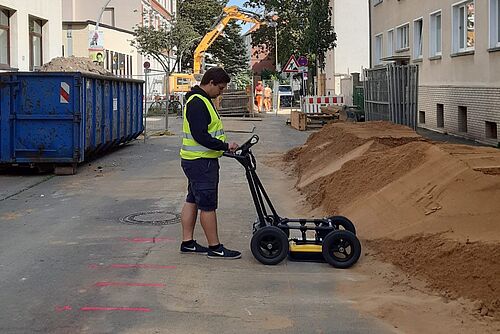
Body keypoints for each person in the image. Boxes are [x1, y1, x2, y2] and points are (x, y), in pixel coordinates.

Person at [179, 67, 241, 259]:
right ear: (211, 83)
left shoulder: (201, 99)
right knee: (207, 204)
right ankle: (215, 247)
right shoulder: (198, 103)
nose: (221, 92)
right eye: (220, 88)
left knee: (192, 200)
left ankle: (187, 243)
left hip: (195, 161)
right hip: (201, 162)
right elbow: (201, 136)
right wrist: (224, 146)